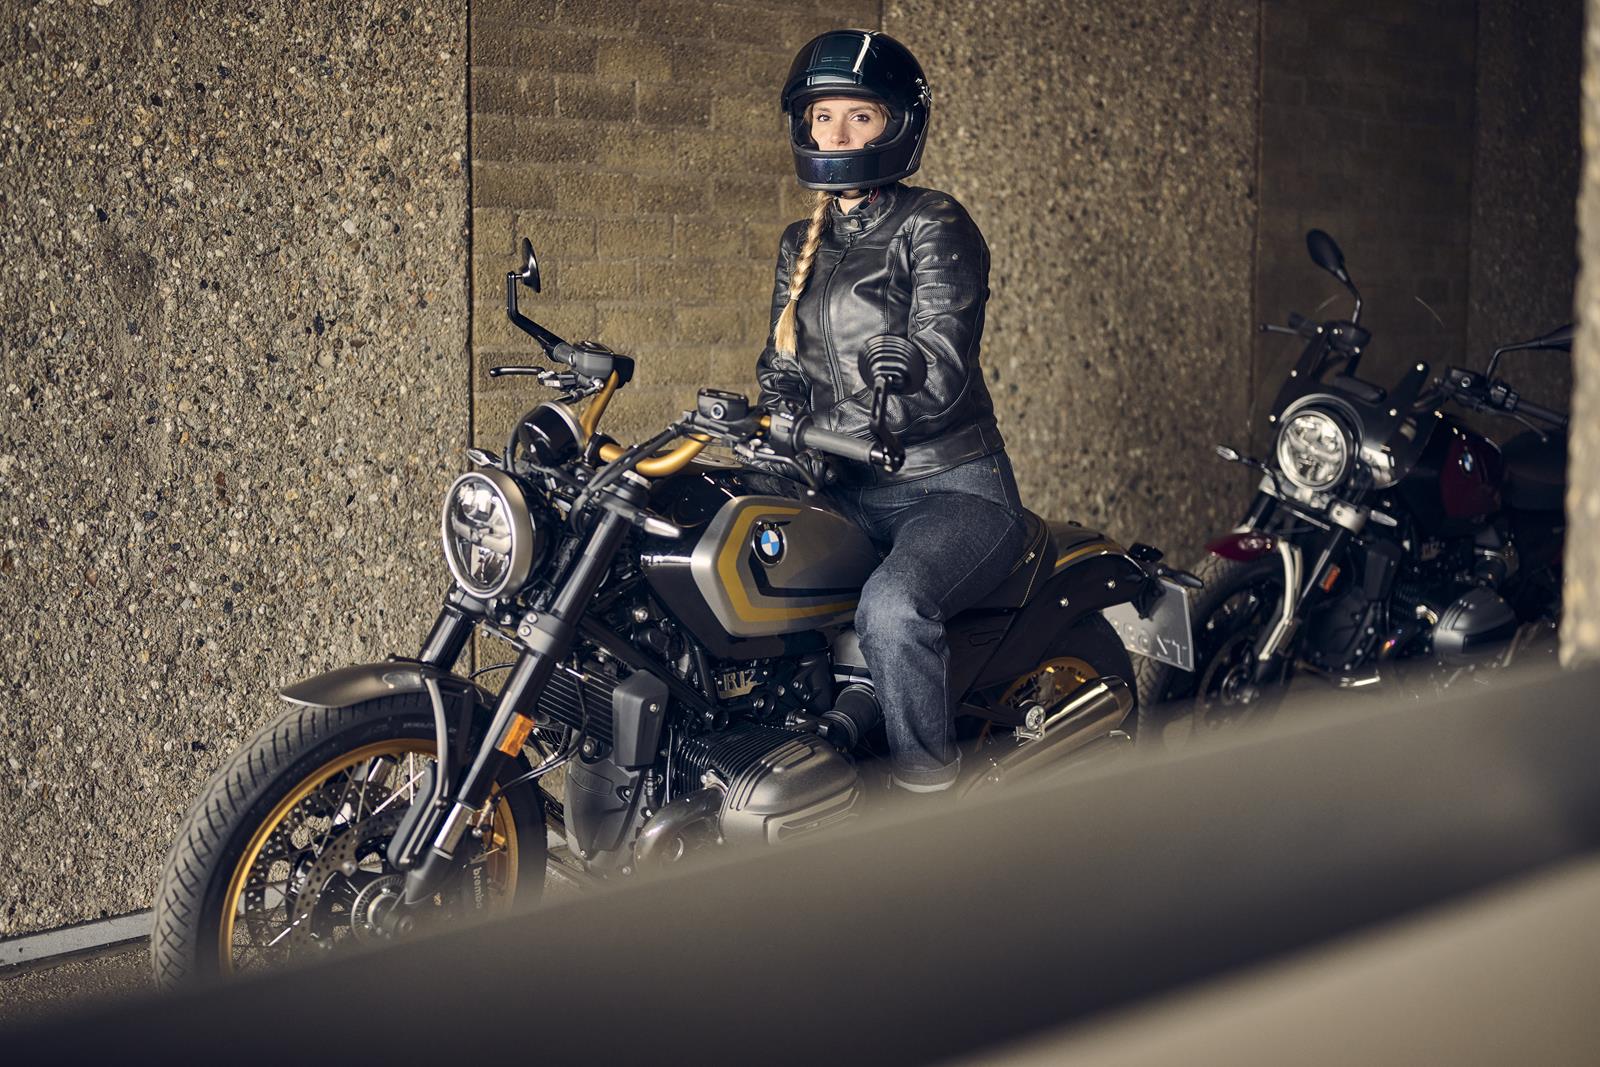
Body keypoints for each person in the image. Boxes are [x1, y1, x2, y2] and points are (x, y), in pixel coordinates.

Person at [756, 30, 1026, 794]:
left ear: (897, 124)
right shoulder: (799, 242)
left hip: (953, 489)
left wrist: (845, 421)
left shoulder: (934, 224)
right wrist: (778, 418)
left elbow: (937, 370)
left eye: (860, 116)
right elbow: (781, 364)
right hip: (844, 489)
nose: (837, 134)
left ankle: (926, 803)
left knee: (893, 607)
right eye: (824, 117)